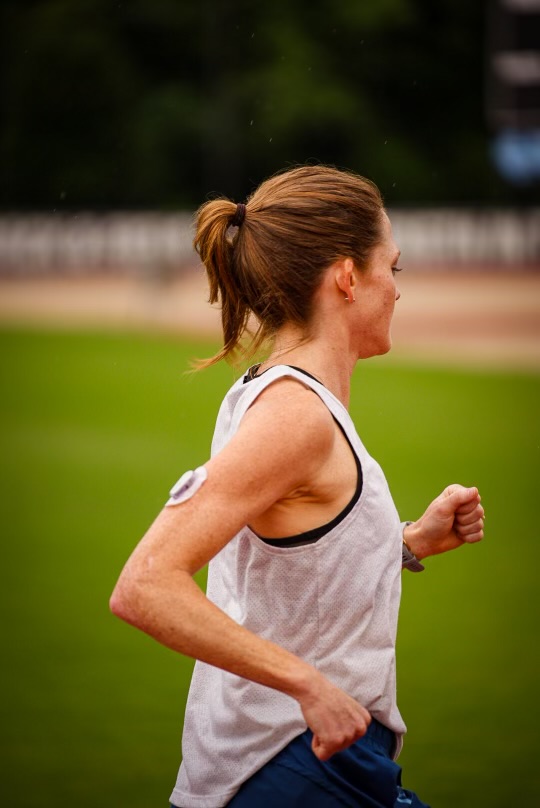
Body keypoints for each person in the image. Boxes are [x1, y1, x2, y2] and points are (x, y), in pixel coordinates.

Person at [110, 165, 484, 808]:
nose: (397, 290)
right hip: (290, 767)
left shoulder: (278, 394)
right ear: (346, 276)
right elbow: (145, 586)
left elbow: (286, 560)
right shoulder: (297, 416)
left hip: (305, 762)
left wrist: (407, 542)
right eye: (390, 269)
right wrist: (307, 684)